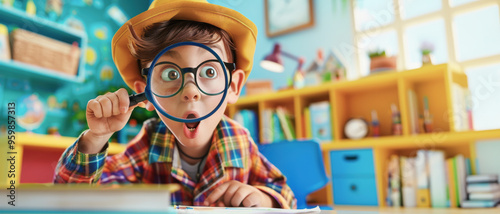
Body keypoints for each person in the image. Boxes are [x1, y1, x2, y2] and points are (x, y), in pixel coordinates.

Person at [53, 0, 296, 209]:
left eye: (209, 71)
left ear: (232, 86)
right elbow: (74, 201)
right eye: (170, 74)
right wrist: (95, 138)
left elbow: (286, 195)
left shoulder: (240, 141)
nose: (190, 91)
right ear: (146, 93)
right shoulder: (147, 145)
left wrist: (264, 199)